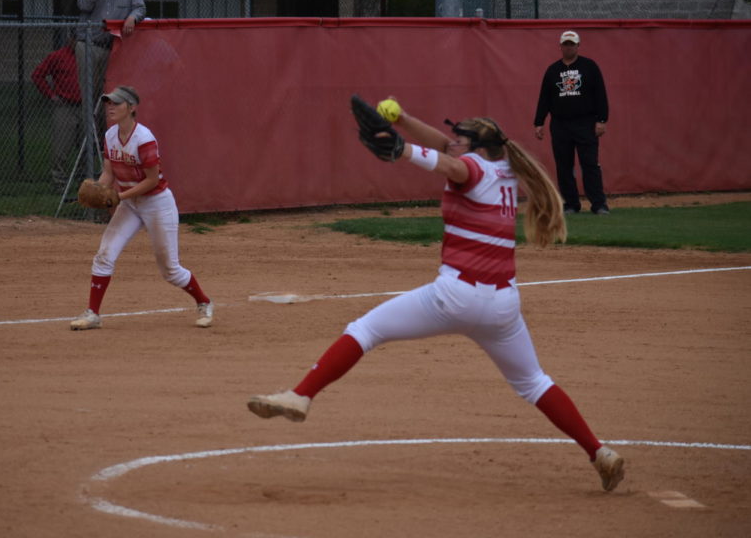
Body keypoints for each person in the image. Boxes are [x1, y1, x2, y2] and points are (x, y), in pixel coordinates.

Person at [247, 102, 625, 492]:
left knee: (365, 329)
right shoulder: (507, 170)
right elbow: (447, 149)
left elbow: (452, 165)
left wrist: (403, 151)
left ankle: (300, 396)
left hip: (455, 297)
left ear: (476, 146)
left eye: (459, 140)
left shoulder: (471, 168)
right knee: (533, 382)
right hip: (503, 306)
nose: (451, 144)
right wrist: (403, 120)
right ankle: (600, 453)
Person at [70, 85, 214, 330]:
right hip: (129, 203)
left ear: (132, 108)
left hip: (157, 203)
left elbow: (152, 180)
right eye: (108, 103)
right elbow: (108, 172)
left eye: (116, 103)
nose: (110, 107)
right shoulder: (110, 135)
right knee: (105, 254)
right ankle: (92, 313)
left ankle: (204, 302)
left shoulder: (143, 138)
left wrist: (120, 196)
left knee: (169, 269)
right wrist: (99, 188)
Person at [533, 30, 610, 215]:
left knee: (590, 164)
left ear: (578, 46)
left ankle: (599, 204)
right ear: (560, 46)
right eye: (565, 44)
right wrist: (539, 122)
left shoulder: (589, 66)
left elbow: (600, 94)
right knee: (564, 165)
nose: (568, 47)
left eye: (572, 44)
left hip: (585, 122)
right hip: (560, 124)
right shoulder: (553, 70)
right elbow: (544, 97)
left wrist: (602, 120)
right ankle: (571, 204)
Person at [76, 0, 146, 136]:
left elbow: (140, 7)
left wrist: (132, 17)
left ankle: (106, 140)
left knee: (111, 95)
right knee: (90, 96)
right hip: (89, 46)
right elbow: (84, 5)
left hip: (115, 48)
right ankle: (88, 146)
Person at [31, 31, 83, 192]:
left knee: (86, 147)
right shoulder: (57, 56)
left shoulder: (88, 56)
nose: (79, 44)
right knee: (61, 148)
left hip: (85, 106)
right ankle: (59, 183)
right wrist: (51, 95)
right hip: (65, 107)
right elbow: (37, 75)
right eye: (77, 40)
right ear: (70, 40)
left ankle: (85, 182)